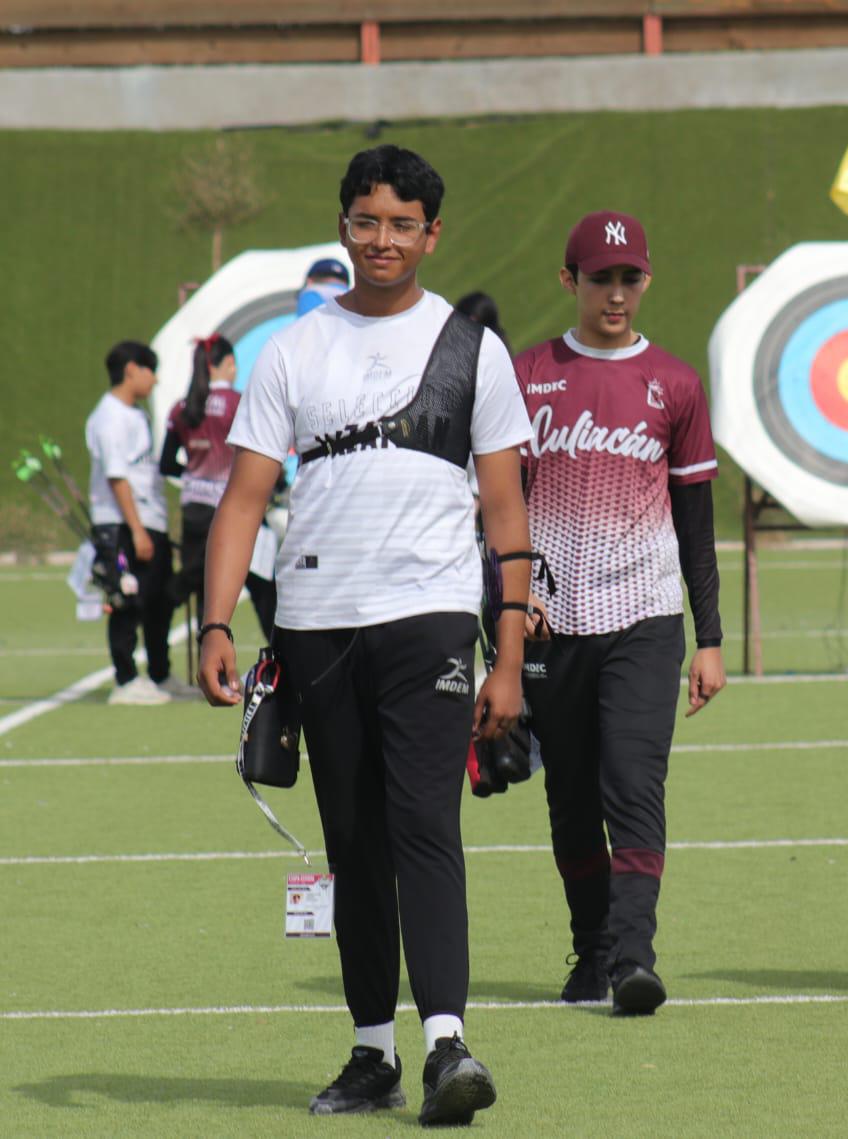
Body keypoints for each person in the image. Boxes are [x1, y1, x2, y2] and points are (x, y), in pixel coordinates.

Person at [197, 145, 535, 1124]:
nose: (381, 238)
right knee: (354, 842)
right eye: (364, 219)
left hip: (428, 618)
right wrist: (217, 622)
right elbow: (243, 498)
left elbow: (508, 513)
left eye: (402, 222)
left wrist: (507, 654)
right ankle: (371, 1051)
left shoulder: (474, 347)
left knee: (426, 825)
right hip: (314, 623)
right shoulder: (295, 350)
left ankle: (447, 1046)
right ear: (342, 224)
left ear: (432, 232)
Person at [512, 210, 724, 1016]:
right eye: (599, 277)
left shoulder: (674, 382)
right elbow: (495, 506)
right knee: (569, 794)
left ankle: (634, 956)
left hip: (644, 614)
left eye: (628, 277)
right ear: (570, 281)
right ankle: (593, 944)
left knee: (633, 781)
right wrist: (507, 599)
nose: (615, 292)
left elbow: (697, 523)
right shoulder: (527, 374)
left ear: (645, 281)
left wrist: (710, 639)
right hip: (549, 623)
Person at [158, 333, 276, 638]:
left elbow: (167, 464)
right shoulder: (239, 403)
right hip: (237, 508)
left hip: (195, 510)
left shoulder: (182, 408)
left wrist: (196, 476)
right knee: (265, 594)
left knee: (206, 597)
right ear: (227, 365)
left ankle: (209, 673)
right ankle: (281, 666)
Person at [86, 340, 178, 706]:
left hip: (146, 520)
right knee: (128, 600)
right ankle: (126, 679)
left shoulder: (136, 414)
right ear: (131, 370)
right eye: (149, 369)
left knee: (159, 599)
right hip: (123, 524)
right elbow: (117, 477)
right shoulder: (108, 416)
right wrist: (137, 529)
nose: (154, 379)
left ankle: (159, 674)